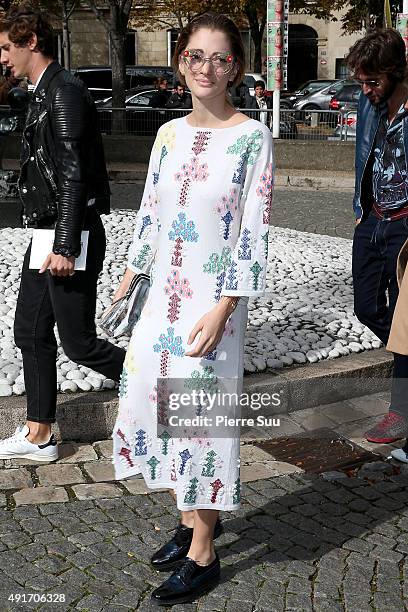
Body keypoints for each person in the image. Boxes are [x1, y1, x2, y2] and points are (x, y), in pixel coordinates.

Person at [111, 12, 273, 606]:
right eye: (196, 56)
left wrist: (227, 306)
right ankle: (190, 519)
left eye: (221, 58)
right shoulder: (168, 134)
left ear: (237, 68)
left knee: (199, 418)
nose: (208, 68)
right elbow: (151, 209)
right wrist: (132, 272)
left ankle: (205, 552)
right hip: (162, 299)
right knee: (158, 401)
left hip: (212, 306)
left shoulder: (252, 137)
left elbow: (253, 231)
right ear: (182, 63)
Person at [0, 3, 125, 461]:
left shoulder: (64, 92)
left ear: (31, 41)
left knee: (79, 344)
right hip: (47, 233)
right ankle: (40, 434)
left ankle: (153, 385)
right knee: (30, 333)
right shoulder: (39, 90)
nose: (2, 57)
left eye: (6, 47)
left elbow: (75, 175)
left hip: (68, 234)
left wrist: (66, 245)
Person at [346, 29, 408, 444]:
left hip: (406, 228)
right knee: (366, 307)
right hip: (372, 219)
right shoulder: (371, 105)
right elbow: (364, 155)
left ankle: (399, 412)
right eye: (361, 82)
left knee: (407, 325)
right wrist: (359, 210)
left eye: (373, 81)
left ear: (397, 72)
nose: (366, 91)